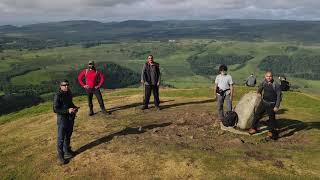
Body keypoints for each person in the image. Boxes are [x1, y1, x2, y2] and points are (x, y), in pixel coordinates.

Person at [249, 71, 282, 140]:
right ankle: (253, 128)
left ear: (272, 77)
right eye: (267, 76)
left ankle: (271, 132)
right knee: (257, 114)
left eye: (270, 76)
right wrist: (259, 92)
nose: (268, 77)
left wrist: (277, 106)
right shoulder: (264, 82)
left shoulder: (276, 85)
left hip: (272, 104)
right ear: (265, 76)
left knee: (271, 119)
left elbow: (279, 96)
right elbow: (260, 88)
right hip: (263, 102)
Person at [53, 80, 79, 165]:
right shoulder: (58, 95)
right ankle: (60, 156)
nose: (66, 86)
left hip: (70, 118)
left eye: (67, 85)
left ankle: (67, 150)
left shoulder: (69, 93)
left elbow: (70, 103)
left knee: (68, 135)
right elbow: (55, 109)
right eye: (64, 85)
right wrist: (67, 110)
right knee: (61, 138)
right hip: (62, 120)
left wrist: (74, 107)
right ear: (60, 86)